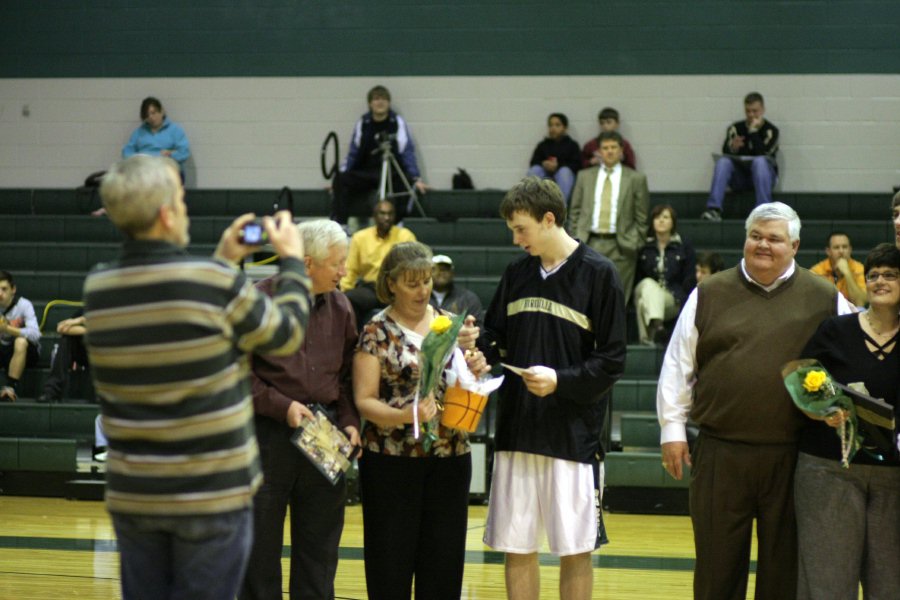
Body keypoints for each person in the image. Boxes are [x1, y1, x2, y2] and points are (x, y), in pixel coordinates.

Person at [83, 154, 311, 600]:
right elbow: (287, 333)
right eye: (182, 199)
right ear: (167, 214)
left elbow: (180, 299)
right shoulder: (211, 283)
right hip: (210, 496)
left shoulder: (99, 288)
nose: (185, 208)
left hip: (135, 494)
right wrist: (293, 263)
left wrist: (224, 260)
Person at [657, 202, 853, 600]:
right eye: (755, 236)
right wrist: (672, 429)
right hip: (720, 452)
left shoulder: (825, 297)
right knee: (716, 565)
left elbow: (853, 356)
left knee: (784, 569)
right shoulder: (709, 293)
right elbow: (679, 363)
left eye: (774, 239)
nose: (763, 245)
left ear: (794, 246)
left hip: (794, 455)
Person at [475, 176, 626, 600]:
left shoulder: (600, 274)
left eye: (521, 229)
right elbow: (494, 338)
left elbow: (613, 359)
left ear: (548, 219)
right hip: (518, 430)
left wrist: (561, 381)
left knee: (575, 549)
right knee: (516, 545)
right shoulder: (516, 273)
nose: (516, 239)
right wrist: (476, 348)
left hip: (573, 436)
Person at [352, 241, 487, 600]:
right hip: (391, 463)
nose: (422, 290)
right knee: (390, 565)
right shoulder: (375, 331)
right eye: (412, 283)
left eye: (426, 281)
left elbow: (464, 380)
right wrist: (405, 414)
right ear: (391, 284)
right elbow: (364, 401)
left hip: (450, 458)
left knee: (443, 567)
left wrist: (474, 368)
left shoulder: (450, 325)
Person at [241, 219, 359, 600]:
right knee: (259, 550)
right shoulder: (257, 300)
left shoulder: (342, 306)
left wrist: (351, 422)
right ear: (307, 263)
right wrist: (282, 406)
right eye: (337, 263)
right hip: (267, 434)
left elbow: (345, 377)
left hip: (324, 431)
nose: (344, 271)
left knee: (320, 550)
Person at [794, 243, 900, 599]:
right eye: (872, 275)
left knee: (891, 585)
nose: (879, 281)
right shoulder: (834, 330)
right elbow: (802, 382)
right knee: (827, 583)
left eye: (890, 275)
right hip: (829, 469)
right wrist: (820, 410)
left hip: (895, 478)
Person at [568, 130, 649, 305]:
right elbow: (574, 210)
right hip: (589, 242)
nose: (610, 151)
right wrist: (575, 237)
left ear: (621, 151)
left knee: (617, 301)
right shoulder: (584, 176)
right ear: (599, 152)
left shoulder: (636, 178)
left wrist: (635, 242)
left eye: (614, 147)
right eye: (605, 148)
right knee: (585, 299)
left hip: (622, 246)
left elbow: (642, 217)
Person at [331, 85, 427, 225]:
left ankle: (398, 224)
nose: (380, 102)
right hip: (367, 172)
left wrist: (416, 177)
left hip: (391, 173)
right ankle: (340, 225)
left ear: (388, 103)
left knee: (406, 182)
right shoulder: (363, 123)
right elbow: (353, 152)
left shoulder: (397, 122)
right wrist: (340, 175)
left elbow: (407, 151)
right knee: (340, 180)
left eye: (383, 99)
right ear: (370, 103)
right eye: (376, 99)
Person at [701, 92, 779, 222]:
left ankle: (763, 212)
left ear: (763, 110)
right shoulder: (735, 128)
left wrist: (753, 132)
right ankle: (714, 209)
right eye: (748, 111)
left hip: (764, 178)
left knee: (760, 162)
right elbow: (725, 150)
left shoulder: (771, 130)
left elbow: (765, 154)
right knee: (723, 162)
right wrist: (733, 148)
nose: (751, 115)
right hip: (740, 178)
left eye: (755, 111)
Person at [341, 200, 416, 328]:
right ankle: (355, 340)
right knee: (347, 300)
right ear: (375, 216)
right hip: (371, 289)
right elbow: (350, 269)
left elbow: (414, 265)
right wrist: (343, 291)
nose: (386, 218)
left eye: (390, 214)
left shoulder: (405, 236)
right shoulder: (360, 237)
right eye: (382, 213)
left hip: (396, 288)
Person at [633, 204, 696, 345]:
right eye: (657, 217)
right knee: (648, 285)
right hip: (644, 290)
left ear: (673, 222)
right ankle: (659, 327)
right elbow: (637, 277)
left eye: (665, 217)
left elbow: (689, 277)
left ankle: (648, 338)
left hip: (671, 297)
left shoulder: (683, 246)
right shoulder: (644, 246)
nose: (660, 220)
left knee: (644, 303)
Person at [122, 96, 191, 177]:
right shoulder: (139, 132)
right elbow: (127, 152)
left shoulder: (175, 130)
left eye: (153, 113)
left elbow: (184, 153)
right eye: (147, 115)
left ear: (162, 111)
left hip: (168, 172)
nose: (151, 117)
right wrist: (138, 159)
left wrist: (170, 155)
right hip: (145, 172)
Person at [0, 271, 41, 401]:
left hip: (27, 353)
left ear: (13, 289)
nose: (0, 293)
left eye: (4, 289)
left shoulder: (24, 305)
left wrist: (8, 329)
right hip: (4, 351)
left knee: (21, 341)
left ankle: (10, 387)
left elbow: (35, 334)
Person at [527, 112, 581, 203]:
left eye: (557, 125)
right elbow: (533, 162)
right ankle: (532, 205)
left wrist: (558, 167)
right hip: (545, 175)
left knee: (565, 172)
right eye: (551, 125)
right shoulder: (543, 145)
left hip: (564, 177)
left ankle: (561, 207)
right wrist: (543, 164)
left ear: (565, 128)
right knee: (535, 170)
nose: (553, 128)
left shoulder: (572, 145)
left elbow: (577, 165)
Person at [38, 313, 90, 403]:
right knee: (67, 340)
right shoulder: (86, 310)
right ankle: (51, 391)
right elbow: (61, 328)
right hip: (87, 354)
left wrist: (80, 321)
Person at [809, 231, 867, 307]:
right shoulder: (816, 271)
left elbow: (860, 303)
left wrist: (847, 273)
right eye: (836, 247)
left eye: (845, 247)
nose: (841, 251)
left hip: (852, 314)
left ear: (850, 250)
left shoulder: (860, 269)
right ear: (828, 251)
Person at [429, 254, 485, 324]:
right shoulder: (420, 298)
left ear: (452, 273)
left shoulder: (468, 299)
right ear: (428, 273)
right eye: (435, 269)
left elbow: (478, 328)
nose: (441, 272)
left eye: (445, 269)